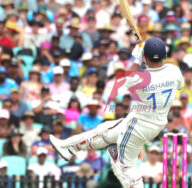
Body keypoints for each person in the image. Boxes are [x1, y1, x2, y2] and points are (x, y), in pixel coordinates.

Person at [49, 37, 184, 188]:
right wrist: (146, 61)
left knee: (127, 169)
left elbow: (127, 80)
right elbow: (175, 83)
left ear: (146, 57)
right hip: (153, 123)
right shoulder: (174, 71)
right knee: (104, 131)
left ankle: (113, 159)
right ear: (164, 56)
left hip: (138, 126)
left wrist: (138, 59)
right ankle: (68, 147)